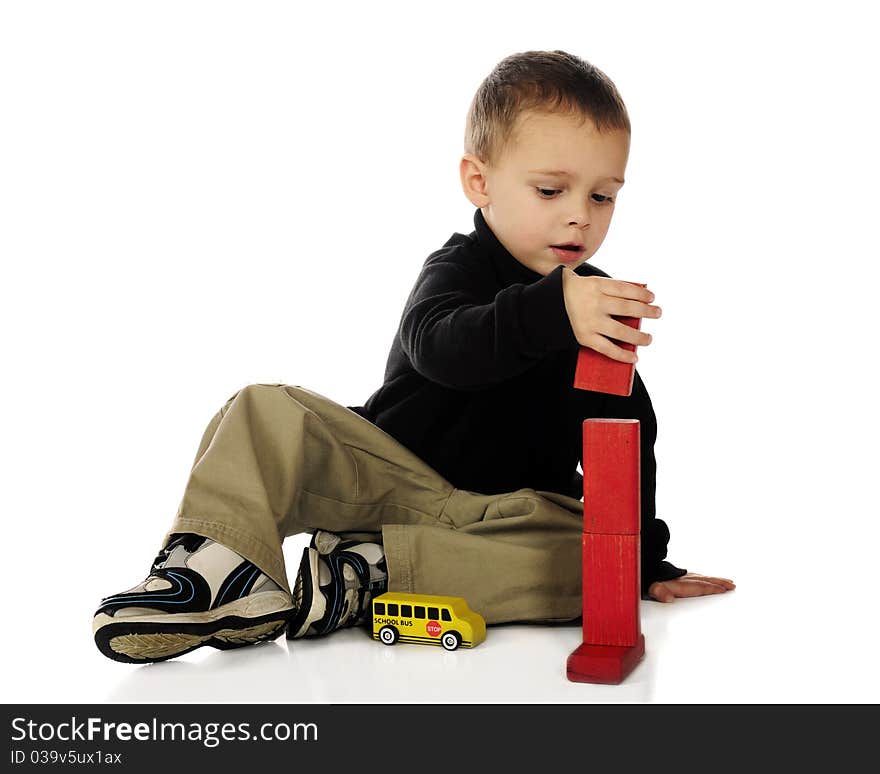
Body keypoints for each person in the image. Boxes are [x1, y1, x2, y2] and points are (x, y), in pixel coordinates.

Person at [92, 49, 734, 664]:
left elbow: (630, 433)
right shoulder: (458, 269)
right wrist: (549, 312)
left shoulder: (592, 307)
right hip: (392, 473)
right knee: (263, 409)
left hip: (498, 514)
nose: (579, 218)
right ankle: (218, 570)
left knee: (596, 561)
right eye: (550, 191)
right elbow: (444, 349)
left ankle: (365, 576)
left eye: (602, 196)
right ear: (479, 182)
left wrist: (644, 561)